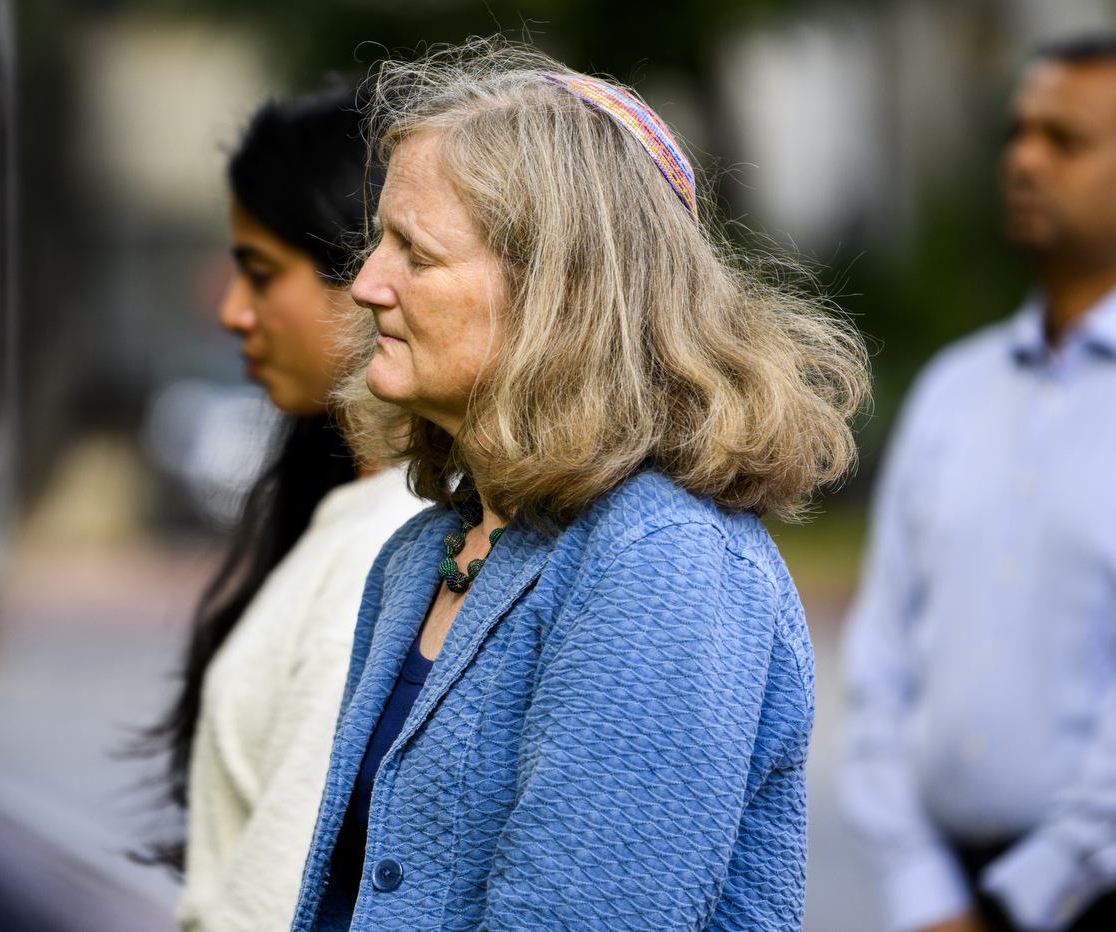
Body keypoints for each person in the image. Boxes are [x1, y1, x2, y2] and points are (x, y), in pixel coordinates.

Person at [285, 40, 869, 932]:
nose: (366, 284)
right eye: (378, 243)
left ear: (559, 293)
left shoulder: (664, 562)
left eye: (416, 252)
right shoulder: (418, 556)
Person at [837, 36, 1116, 932]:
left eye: (1064, 139)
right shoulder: (954, 391)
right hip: (938, 899)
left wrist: (1019, 901)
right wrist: (926, 893)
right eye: (1018, 132)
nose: (1024, 159)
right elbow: (881, 656)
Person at [149, 84, 426, 932]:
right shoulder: (351, 514)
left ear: (368, 270)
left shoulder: (398, 547)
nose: (234, 312)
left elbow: (284, 890)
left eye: (262, 273)